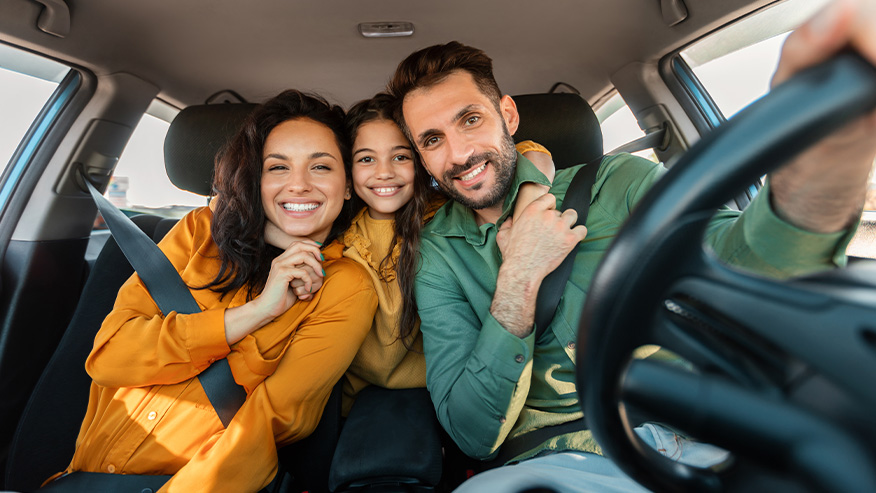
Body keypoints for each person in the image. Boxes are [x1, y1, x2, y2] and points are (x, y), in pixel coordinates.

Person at [385, 0, 876, 490]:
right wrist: (519, 277)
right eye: (432, 140)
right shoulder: (439, 254)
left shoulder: (621, 181)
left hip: (713, 430)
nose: (459, 154)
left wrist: (818, 162)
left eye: (470, 120)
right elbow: (470, 433)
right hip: (563, 463)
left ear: (508, 116)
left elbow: (746, 267)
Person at [45, 90, 378, 492]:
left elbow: (271, 422)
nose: (299, 185)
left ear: (347, 186)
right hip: (78, 480)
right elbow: (110, 358)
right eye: (277, 168)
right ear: (256, 180)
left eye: (321, 167)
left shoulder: (345, 285)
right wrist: (257, 312)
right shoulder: (197, 232)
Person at [338, 92, 557, 415]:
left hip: (462, 386)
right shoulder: (343, 243)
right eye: (366, 159)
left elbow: (528, 153)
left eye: (400, 157)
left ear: (423, 162)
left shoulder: (451, 214)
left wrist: (531, 193)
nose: (384, 173)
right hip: (367, 402)